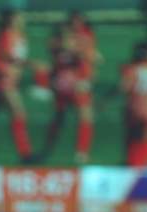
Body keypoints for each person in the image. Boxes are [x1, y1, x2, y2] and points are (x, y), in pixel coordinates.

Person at [39, 22, 96, 164]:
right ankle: (50, 148)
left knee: (83, 116)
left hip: (73, 85)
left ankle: (81, 152)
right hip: (65, 86)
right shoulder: (58, 46)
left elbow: (90, 60)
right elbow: (57, 61)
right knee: (62, 119)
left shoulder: (73, 45)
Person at [0, 10, 34, 163]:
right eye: (18, 17)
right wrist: (29, 64)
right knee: (18, 113)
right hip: (4, 79)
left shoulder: (19, 35)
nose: (22, 20)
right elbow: (5, 55)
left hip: (12, 79)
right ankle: (25, 154)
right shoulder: (7, 34)